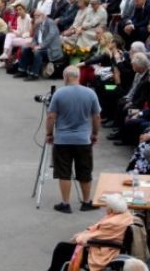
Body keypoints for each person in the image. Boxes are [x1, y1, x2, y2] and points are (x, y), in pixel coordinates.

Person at [46, 66, 102, 213]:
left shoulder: (59, 94)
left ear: (65, 77)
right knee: (85, 171)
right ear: (78, 77)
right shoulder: (90, 93)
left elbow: (51, 116)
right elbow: (96, 116)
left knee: (63, 172)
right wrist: (95, 133)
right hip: (83, 139)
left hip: (62, 139)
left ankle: (65, 203)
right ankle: (86, 201)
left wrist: (49, 134)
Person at [47, 194, 133, 271]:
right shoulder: (124, 215)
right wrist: (85, 232)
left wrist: (79, 237)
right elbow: (98, 229)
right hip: (107, 246)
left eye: (107, 206)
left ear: (111, 209)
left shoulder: (111, 223)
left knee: (61, 248)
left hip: (102, 251)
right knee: (63, 249)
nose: (106, 208)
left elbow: (97, 236)